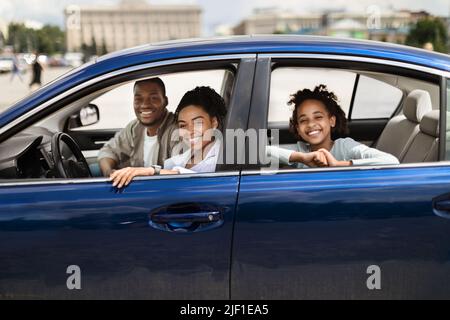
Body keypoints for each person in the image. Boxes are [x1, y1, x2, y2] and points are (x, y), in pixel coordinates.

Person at [109, 86, 226, 188]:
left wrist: (150, 171)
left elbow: (193, 179)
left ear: (214, 123)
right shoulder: (183, 158)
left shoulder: (223, 155)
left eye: (197, 123)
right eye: (183, 125)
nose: (189, 131)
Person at [266, 84, 399, 168]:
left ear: (332, 121)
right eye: (303, 120)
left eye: (318, 117)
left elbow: (391, 161)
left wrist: (338, 164)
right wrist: (301, 158)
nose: (311, 124)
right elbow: (257, 152)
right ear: (297, 129)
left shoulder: (345, 147)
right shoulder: (300, 150)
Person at [98, 77, 178, 177]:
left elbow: (182, 173)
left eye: (153, 98)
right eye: (138, 99)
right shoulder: (134, 128)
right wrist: (109, 173)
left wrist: (151, 171)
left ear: (165, 101)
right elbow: (108, 151)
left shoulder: (176, 130)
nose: (145, 105)